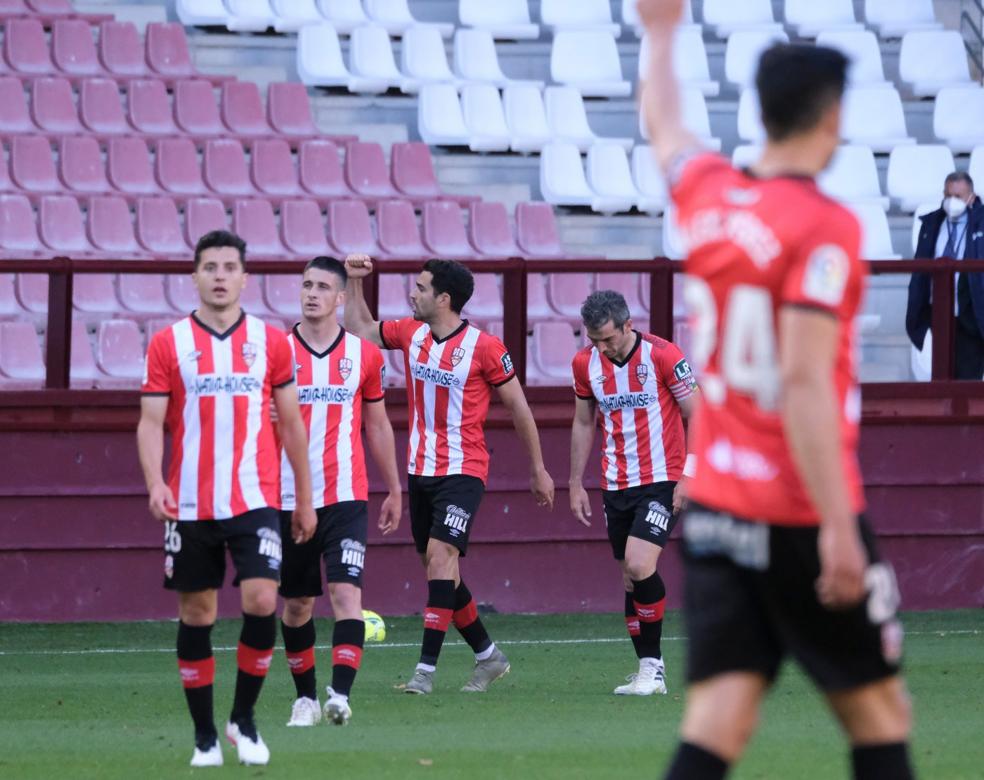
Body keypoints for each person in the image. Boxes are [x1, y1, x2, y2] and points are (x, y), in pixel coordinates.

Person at [636, 1, 914, 778]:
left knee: (720, 716)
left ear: (760, 110)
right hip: (796, 504)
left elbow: (665, 127)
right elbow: (803, 382)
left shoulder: (709, 195)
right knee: (878, 711)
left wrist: (661, 33)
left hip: (721, 504)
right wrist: (836, 525)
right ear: (832, 117)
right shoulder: (824, 226)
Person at [136, 230, 316, 767]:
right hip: (188, 502)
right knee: (198, 612)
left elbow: (290, 424)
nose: (219, 275)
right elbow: (148, 423)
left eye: (228, 267)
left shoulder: (272, 342)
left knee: (263, 599)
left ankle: (244, 719)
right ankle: (205, 737)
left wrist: (303, 499)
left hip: (255, 498)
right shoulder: (168, 343)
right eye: (209, 266)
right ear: (195, 276)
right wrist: (154, 482)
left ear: (244, 277)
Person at [343, 255, 555, 695]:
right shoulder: (410, 332)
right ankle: (488, 657)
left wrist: (538, 469)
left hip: (465, 468)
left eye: (420, 288)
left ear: (443, 299)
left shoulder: (485, 347)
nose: (412, 293)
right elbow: (360, 331)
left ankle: (424, 673)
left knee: (441, 559)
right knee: (442, 573)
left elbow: (518, 407)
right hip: (420, 468)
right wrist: (354, 282)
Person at [277, 256, 402, 728]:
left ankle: (339, 696)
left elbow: (376, 422)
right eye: (306, 284)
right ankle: (304, 698)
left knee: (347, 595)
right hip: (289, 498)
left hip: (347, 494)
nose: (311, 293)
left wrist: (393, 486)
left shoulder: (364, 355)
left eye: (322, 287)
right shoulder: (276, 352)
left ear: (340, 298)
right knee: (297, 604)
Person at [569, 290, 698, 696]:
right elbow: (584, 423)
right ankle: (646, 669)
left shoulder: (663, 356)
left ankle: (653, 669)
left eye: (608, 339)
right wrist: (575, 481)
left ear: (628, 325)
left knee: (641, 565)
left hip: (661, 477)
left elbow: (700, 413)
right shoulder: (585, 364)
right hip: (615, 482)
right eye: (594, 341)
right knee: (629, 577)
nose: (602, 348)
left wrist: (690, 474)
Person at [906, 171, 984, 379]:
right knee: (940, 381)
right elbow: (921, 269)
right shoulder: (931, 224)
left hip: (971, 316)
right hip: (938, 315)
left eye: (958, 196)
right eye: (948, 195)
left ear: (971, 197)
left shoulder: (981, 224)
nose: (952, 201)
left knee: (967, 385)